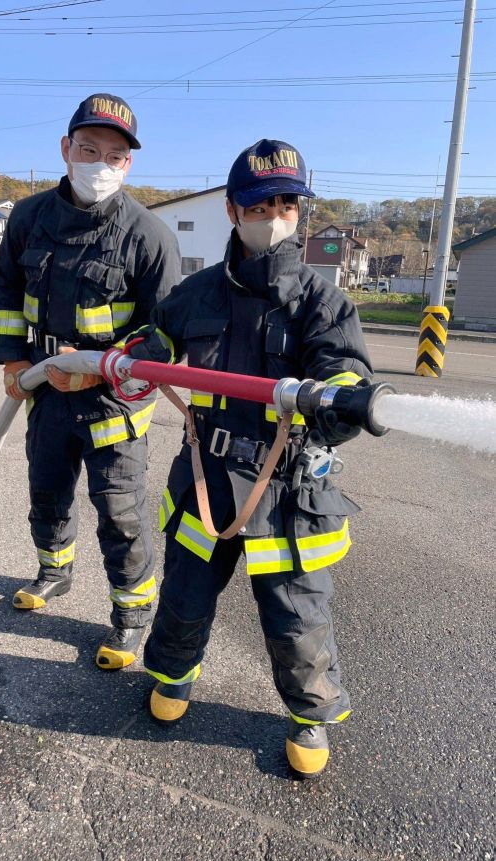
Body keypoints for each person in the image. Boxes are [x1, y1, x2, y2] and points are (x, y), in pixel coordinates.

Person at [128, 138, 373, 778]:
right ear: (235, 212)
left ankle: (308, 715)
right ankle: (174, 677)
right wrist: (145, 346)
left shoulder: (324, 303)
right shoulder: (200, 291)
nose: (277, 215)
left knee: (298, 615)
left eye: (288, 202)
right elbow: (159, 332)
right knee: (184, 594)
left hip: (286, 488)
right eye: (262, 203)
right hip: (206, 479)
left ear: (301, 213)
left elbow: (343, 367)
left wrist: (340, 396)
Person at [0, 93, 181, 671]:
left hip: (112, 403)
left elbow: (164, 335)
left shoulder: (149, 235)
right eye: (89, 148)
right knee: (46, 491)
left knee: (119, 511)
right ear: (66, 149)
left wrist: (96, 366)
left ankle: (131, 615)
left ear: (129, 164)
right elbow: (6, 292)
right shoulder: (28, 218)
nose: (101, 162)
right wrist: (11, 359)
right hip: (45, 389)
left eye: (116, 155)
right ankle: (54, 571)